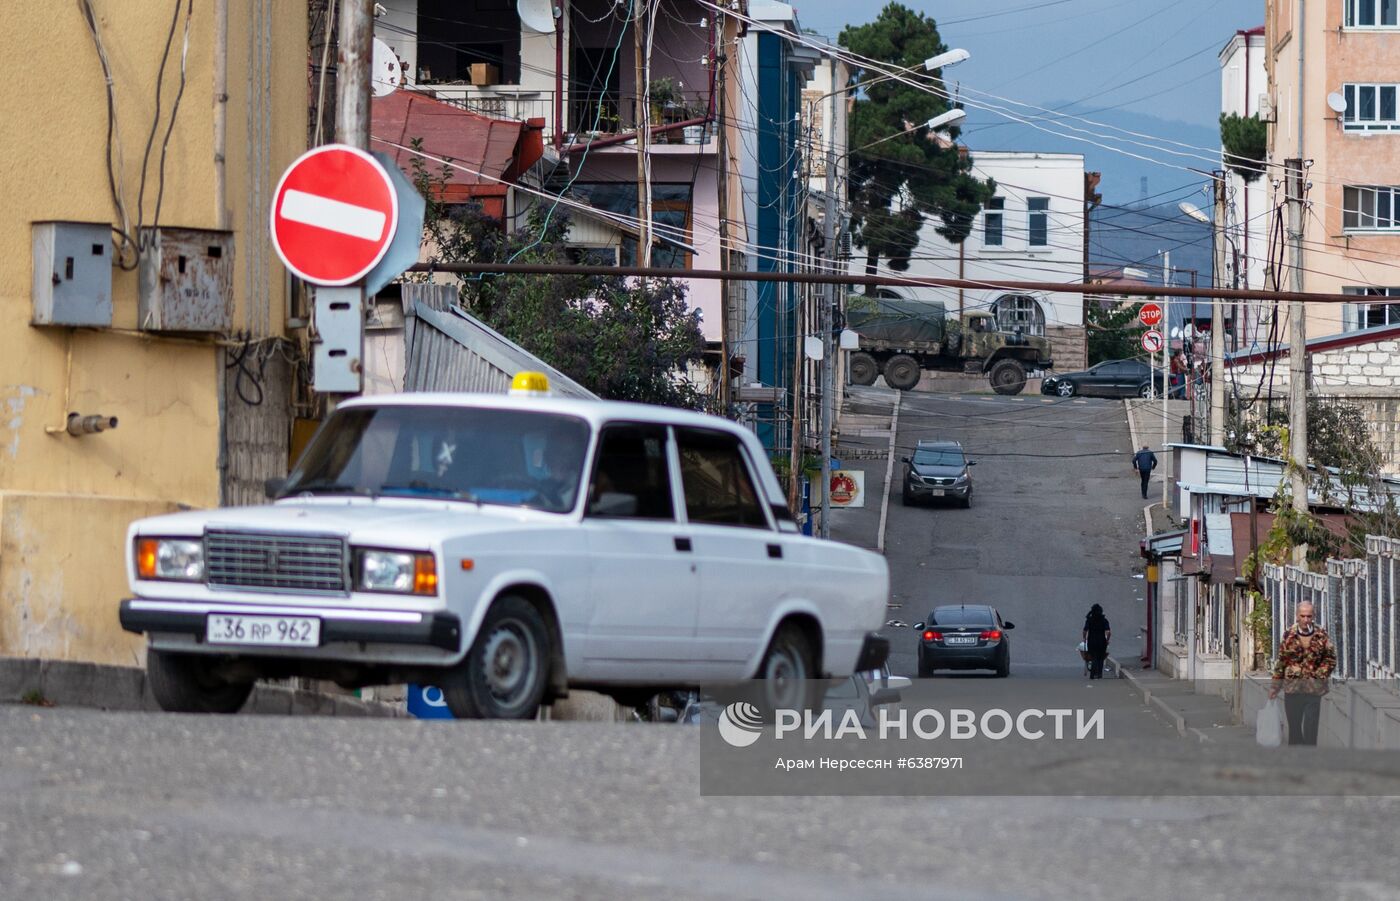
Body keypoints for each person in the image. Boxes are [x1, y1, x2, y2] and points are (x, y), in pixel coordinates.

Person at [1269, 602, 1337, 746]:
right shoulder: (1289, 635)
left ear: (1314, 617)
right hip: (1293, 690)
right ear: (1297, 616)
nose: (1306, 620)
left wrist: (1319, 675)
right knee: (1294, 731)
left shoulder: (1321, 635)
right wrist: (1275, 687)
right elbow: (1281, 662)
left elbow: (1330, 659)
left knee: (1311, 730)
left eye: (1309, 616)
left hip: (1313, 690)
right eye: (1303, 616)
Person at [1082, 604, 1111, 679]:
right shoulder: (1104, 620)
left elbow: (1085, 631)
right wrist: (1107, 640)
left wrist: (1084, 638)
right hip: (1102, 641)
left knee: (1093, 656)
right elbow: (1108, 632)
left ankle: (1093, 673)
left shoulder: (1089, 620)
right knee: (1100, 657)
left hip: (1091, 641)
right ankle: (1099, 674)